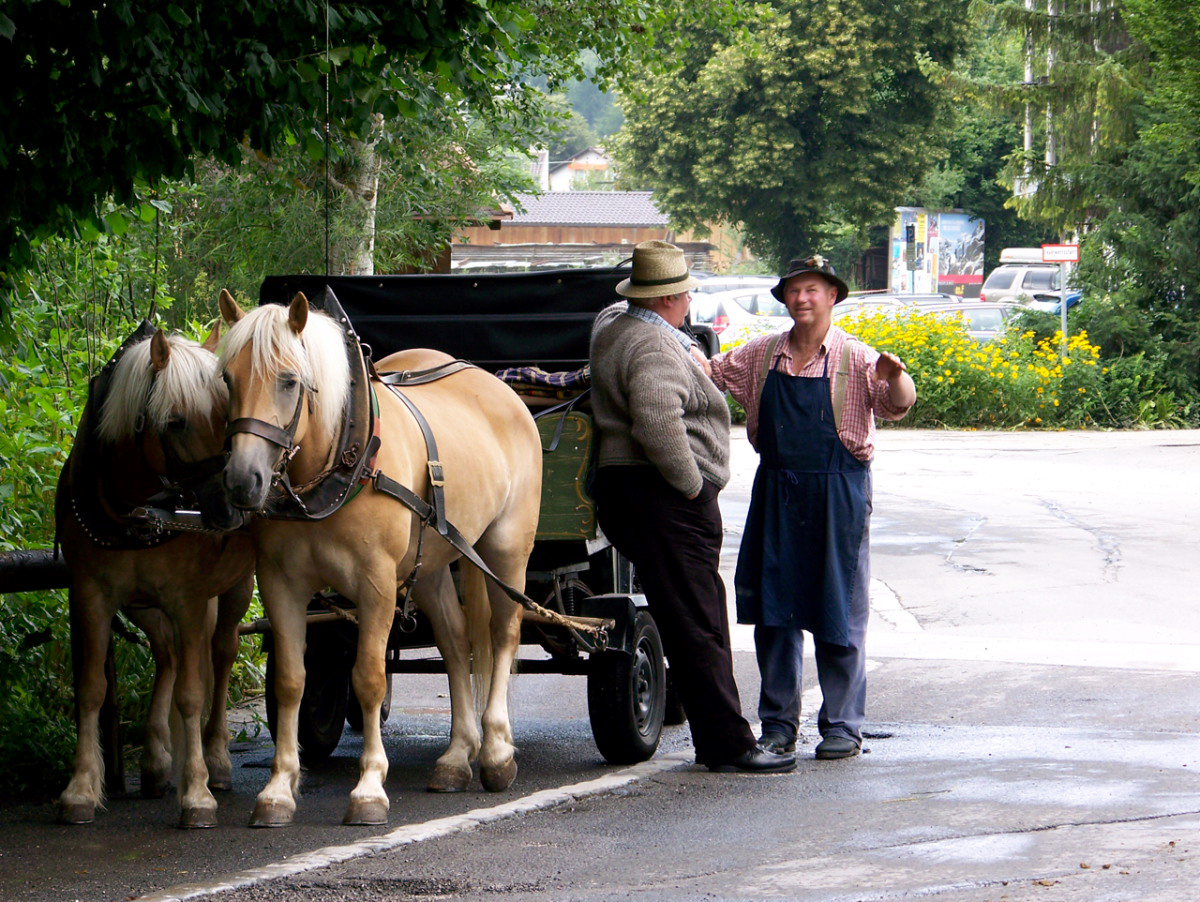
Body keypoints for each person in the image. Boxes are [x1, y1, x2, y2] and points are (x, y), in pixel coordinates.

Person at [589, 240, 796, 773]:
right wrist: (692, 487)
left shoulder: (615, 327)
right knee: (699, 621)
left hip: (632, 492)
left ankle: (719, 738)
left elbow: (616, 314)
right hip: (664, 496)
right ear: (668, 299)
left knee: (688, 615)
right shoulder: (653, 345)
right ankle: (728, 745)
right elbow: (658, 425)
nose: (689, 302)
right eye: (685, 293)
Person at [706, 255, 916, 760]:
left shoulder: (858, 357)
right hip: (776, 487)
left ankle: (842, 726)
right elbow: (707, 374)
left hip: (839, 491)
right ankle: (777, 726)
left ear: (833, 296)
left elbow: (899, 404)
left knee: (838, 610)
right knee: (775, 612)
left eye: (812, 290)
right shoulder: (761, 355)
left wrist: (898, 374)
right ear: (785, 299)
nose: (802, 299)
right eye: (794, 291)